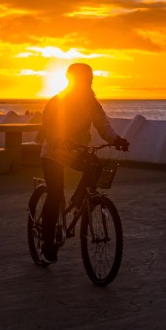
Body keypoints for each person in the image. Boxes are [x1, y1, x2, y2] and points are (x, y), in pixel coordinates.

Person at [38, 62, 129, 263]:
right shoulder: (58, 101)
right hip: (54, 152)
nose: (86, 81)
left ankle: (78, 203)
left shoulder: (91, 103)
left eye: (88, 78)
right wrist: (60, 140)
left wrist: (116, 140)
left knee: (96, 166)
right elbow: (50, 126)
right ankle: (47, 243)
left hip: (77, 150)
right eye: (82, 78)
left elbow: (103, 125)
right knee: (55, 194)